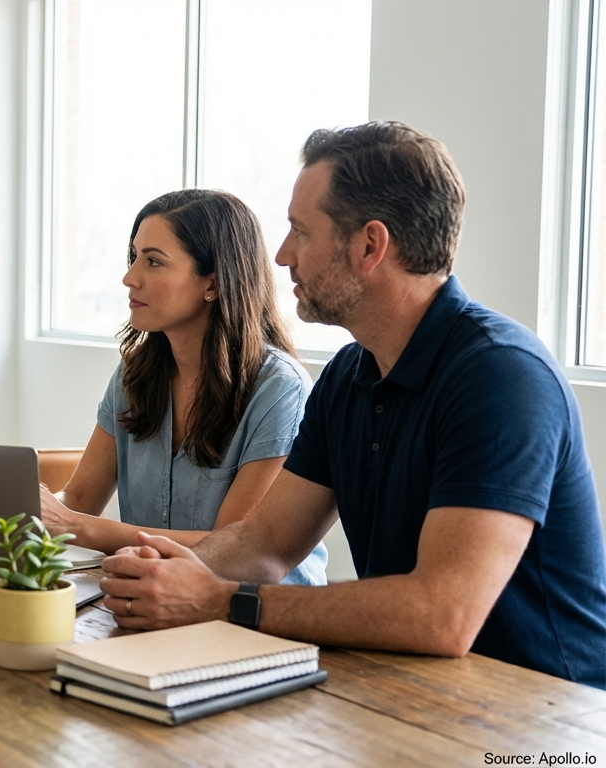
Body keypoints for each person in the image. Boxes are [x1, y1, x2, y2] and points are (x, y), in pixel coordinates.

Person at [100, 122, 606, 689]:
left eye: (300, 232)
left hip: (545, 715)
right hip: (411, 689)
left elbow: (442, 615)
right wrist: (156, 572)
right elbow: (264, 544)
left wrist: (224, 602)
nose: (284, 255)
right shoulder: (347, 374)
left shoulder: (501, 375)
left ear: (370, 246)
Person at [41, 190, 327, 586]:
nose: (130, 278)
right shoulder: (133, 374)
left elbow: (233, 549)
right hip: (155, 597)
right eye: (134, 257)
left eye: (154, 261)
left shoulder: (280, 389)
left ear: (212, 283)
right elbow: (79, 499)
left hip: (255, 616)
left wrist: (77, 526)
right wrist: (30, 510)